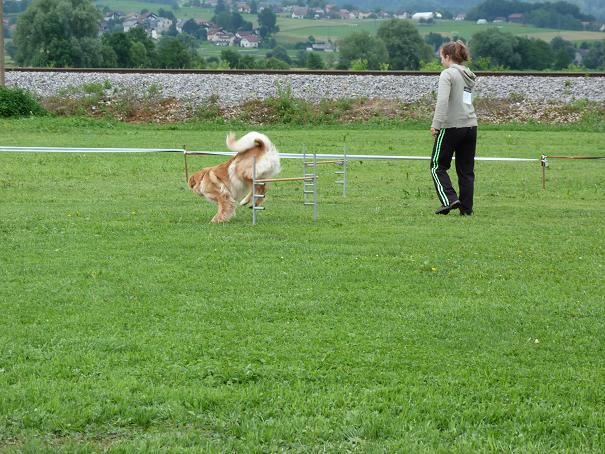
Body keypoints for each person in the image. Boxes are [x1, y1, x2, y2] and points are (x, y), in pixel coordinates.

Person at [430, 40, 477, 216]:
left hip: (452, 126)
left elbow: (442, 101)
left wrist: (436, 125)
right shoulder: (469, 75)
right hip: (471, 125)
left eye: (441, 56)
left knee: (437, 166)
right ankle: (466, 209)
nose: (441, 60)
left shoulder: (447, 74)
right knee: (466, 170)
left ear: (448, 56)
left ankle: (449, 199)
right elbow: (465, 100)